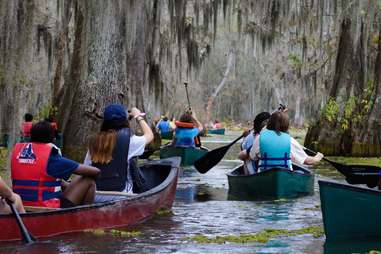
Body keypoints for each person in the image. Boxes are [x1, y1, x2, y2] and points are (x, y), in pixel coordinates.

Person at [11, 121, 100, 208]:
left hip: (20, 206)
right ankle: (83, 218)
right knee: (88, 180)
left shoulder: (17, 152)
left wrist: (65, 184)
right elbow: (95, 172)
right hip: (46, 209)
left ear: (31, 135)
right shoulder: (51, 156)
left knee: (64, 184)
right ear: (52, 139)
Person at [85, 104, 154, 195]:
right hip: (122, 195)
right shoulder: (130, 141)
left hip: (97, 194)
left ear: (105, 122)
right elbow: (149, 135)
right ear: (125, 121)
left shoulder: (95, 141)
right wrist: (138, 116)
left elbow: (86, 168)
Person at [250, 111, 324, 171]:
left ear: (269, 123)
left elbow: (252, 156)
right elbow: (307, 161)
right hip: (285, 173)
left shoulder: (260, 137)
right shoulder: (290, 140)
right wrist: (318, 157)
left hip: (264, 173)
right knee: (300, 171)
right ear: (286, 125)